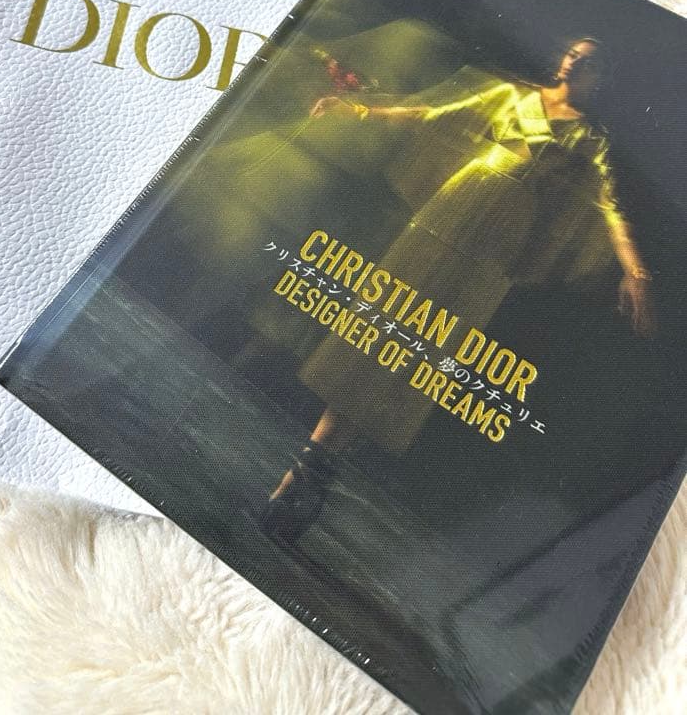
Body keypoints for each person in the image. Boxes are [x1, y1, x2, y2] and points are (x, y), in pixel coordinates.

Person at [260, 38, 657, 542]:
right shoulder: (514, 95)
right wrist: (357, 109)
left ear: (601, 78)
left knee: (416, 350)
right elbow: (431, 112)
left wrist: (636, 271)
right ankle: (306, 475)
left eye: (589, 60)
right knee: (386, 326)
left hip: (502, 238)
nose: (574, 61)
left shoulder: (591, 140)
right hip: (458, 206)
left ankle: (308, 474)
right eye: (572, 53)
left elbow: (611, 210)